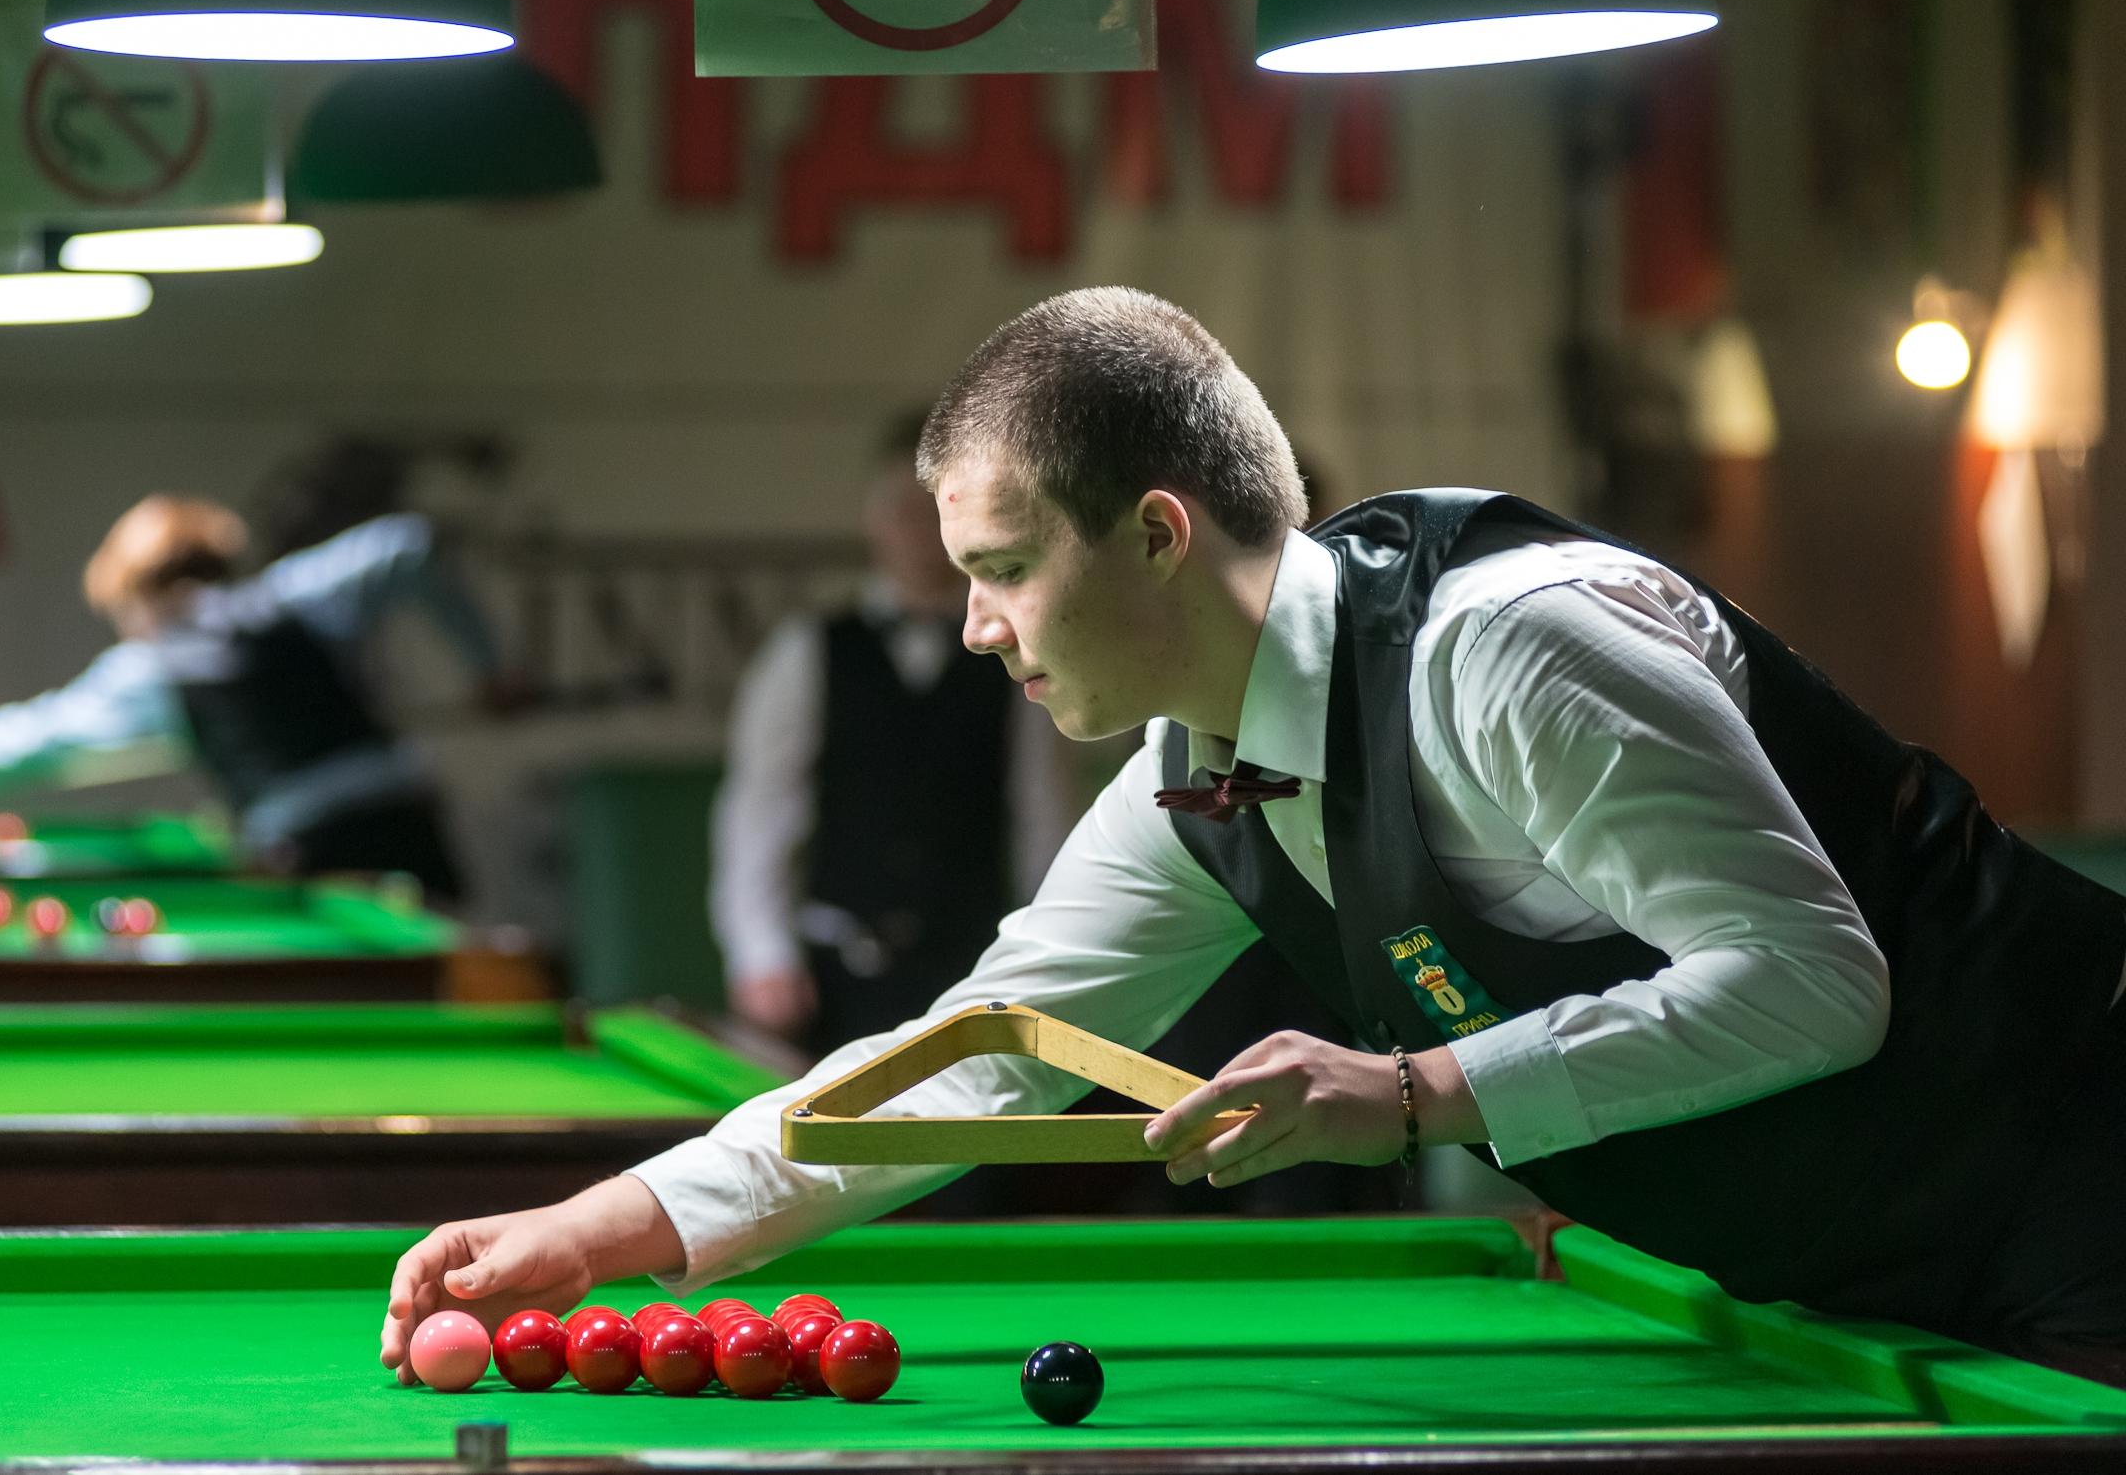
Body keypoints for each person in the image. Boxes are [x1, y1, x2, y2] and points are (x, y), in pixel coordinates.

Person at [378, 289, 2125, 1385]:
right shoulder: (1193, 781)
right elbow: (981, 1059)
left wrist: (1423, 1090)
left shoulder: (1510, 647)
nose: (975, 627)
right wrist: (603, 1228)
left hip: (2082, 1167)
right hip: (1850, 1275)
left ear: (1154, 533)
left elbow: (1815, 981)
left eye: (1004, 569)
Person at [0, 495, 510, 899]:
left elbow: (35, 739)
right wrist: (493, 670)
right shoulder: (293, 596)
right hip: (413, 832)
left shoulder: (154, 667)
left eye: (124, 613)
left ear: (140, 597)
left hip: (319, 861)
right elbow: (406, 547)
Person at [710, 415, 1073, 1053]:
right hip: (834, 978)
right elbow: (759, 811)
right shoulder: (807, 651)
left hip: (973, 973)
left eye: (941, 511)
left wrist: (1054, 958)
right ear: (872, 520)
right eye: (905, 509)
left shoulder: (1019, 657)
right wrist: (761, 955)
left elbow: (1044, 817)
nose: (921, 530)